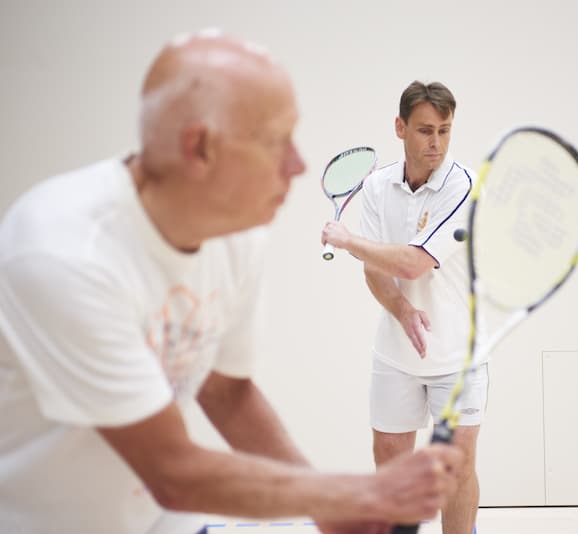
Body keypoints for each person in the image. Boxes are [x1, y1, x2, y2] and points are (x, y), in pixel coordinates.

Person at [0, 31, 464, 534]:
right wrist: (343, 495)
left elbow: (226, 392)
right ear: (199, 148)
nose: (299, 165)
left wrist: (325, 511)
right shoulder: (64, 254)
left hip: (162, 518)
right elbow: (172, 470)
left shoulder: (235, 233)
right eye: (275, 141)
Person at [320, 81, 487, 534]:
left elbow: (413, 264)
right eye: (425, 130)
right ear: (400, 128)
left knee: (454, 471)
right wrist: (403, 312)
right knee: (392, 472)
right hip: (396, 354)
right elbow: (375, 270)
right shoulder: (376, 187)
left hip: (457, 356)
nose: (435, 143)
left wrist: (349, 240)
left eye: (445, 131)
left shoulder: (463, 186)